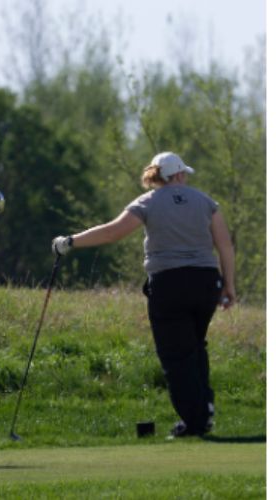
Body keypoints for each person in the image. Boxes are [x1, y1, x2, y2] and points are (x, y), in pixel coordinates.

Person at [51, 151, 236, 439]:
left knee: (177, 355)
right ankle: (203, 408)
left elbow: (112, 233)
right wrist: (229, 286)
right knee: (195, 347)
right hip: (206, 282)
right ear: (179, 174)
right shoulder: (206, 202)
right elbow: (225, 246)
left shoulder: (148, 202)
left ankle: (196, 420)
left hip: (169, 283)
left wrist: (70, 241)